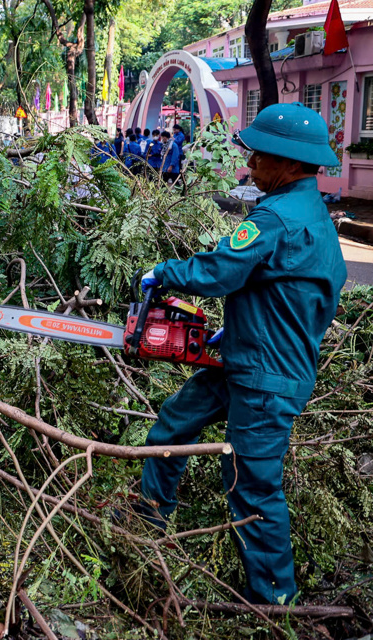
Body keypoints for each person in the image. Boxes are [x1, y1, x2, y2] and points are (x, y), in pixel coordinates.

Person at [136, 102, 347, 605]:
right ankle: (147, 521)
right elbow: (297, 293)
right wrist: (236, 331)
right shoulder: (314, 214)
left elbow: (220, 271)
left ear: (294, 165)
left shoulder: (276, 217)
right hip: (246, 358)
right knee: (173, 423)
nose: (250, 165)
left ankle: (275, 600)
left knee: (252, 486)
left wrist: (164, 273)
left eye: (261, 157)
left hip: (266, 377)